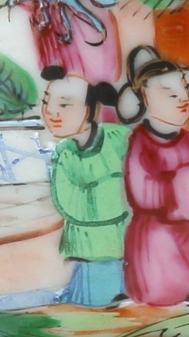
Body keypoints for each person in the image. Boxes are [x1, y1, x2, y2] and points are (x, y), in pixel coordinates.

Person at [117, 46, 189, 307]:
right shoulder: (142, 143)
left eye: (184, 89)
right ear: (145, 98)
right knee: (160, 263)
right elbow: (142, 191)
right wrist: (181, 187)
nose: (183, 100)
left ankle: (184, 287)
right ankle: (169, 291)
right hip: (156, 227)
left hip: (186, 225)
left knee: (184, 257)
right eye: (170, 94)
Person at [43, 66, 131, 308]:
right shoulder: (64, 153)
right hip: (86, 242)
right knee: (92, 300)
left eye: (64, 105)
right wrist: (109, 187)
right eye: (47, 103)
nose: (50, 112)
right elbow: (69, 203)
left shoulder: (118, 139)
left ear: (90, 109)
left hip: (122, 238)